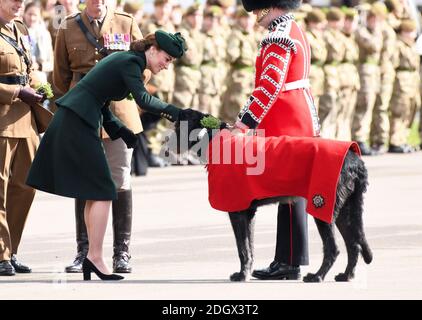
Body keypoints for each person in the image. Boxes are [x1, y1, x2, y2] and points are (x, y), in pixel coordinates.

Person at [26, 30, 188, 281]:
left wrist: (119, 130)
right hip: (78, 120)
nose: (166, 66)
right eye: (166, 59)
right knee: (103, 190)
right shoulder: (131, 62)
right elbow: (143, 100)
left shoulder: (126, 59)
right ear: (153, 50)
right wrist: (178, 113)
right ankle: (95, 257)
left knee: (95, 191)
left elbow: (100, 98)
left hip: (78, 117)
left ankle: (93, 256)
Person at [53, 0, 146, 274]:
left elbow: (145, 64)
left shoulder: (125, 22)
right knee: (83, 181)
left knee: (120, 178)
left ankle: (122, 252)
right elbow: (60, 77)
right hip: (84, 113)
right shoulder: (68, 26)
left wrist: (130, 88)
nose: (98, 2)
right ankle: (84, 252)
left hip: (119, 111)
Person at [236, 0, 320, 280]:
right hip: (293, 111)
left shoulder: (278, 35)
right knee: (290, 190)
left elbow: (270, 84)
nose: (254, 15)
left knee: (290, 190)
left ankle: (290, 261)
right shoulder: (290, 28)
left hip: (286, 115)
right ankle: (286, 258)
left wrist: (245, 121)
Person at [0, 0, 44, 276]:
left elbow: (28, 66)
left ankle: (11, 249)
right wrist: (15, 93)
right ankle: (0, 253)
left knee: (26, 185)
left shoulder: (18, 27)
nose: (19, 4)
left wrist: (39, 86)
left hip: (26, 119)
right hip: (2, 118)